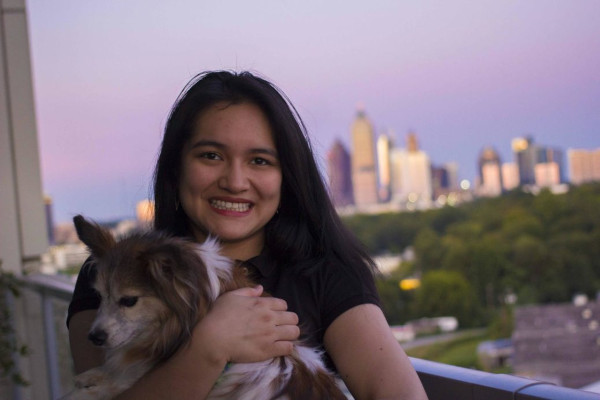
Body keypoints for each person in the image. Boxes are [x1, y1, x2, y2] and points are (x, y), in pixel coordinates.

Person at [67, 70, 428, 399]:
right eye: (211, 156)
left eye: (260, 161)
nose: (235, 182)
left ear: (286, 177)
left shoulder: (327, 273)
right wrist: (210, 348)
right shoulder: (114, 275)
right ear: (177, 167)